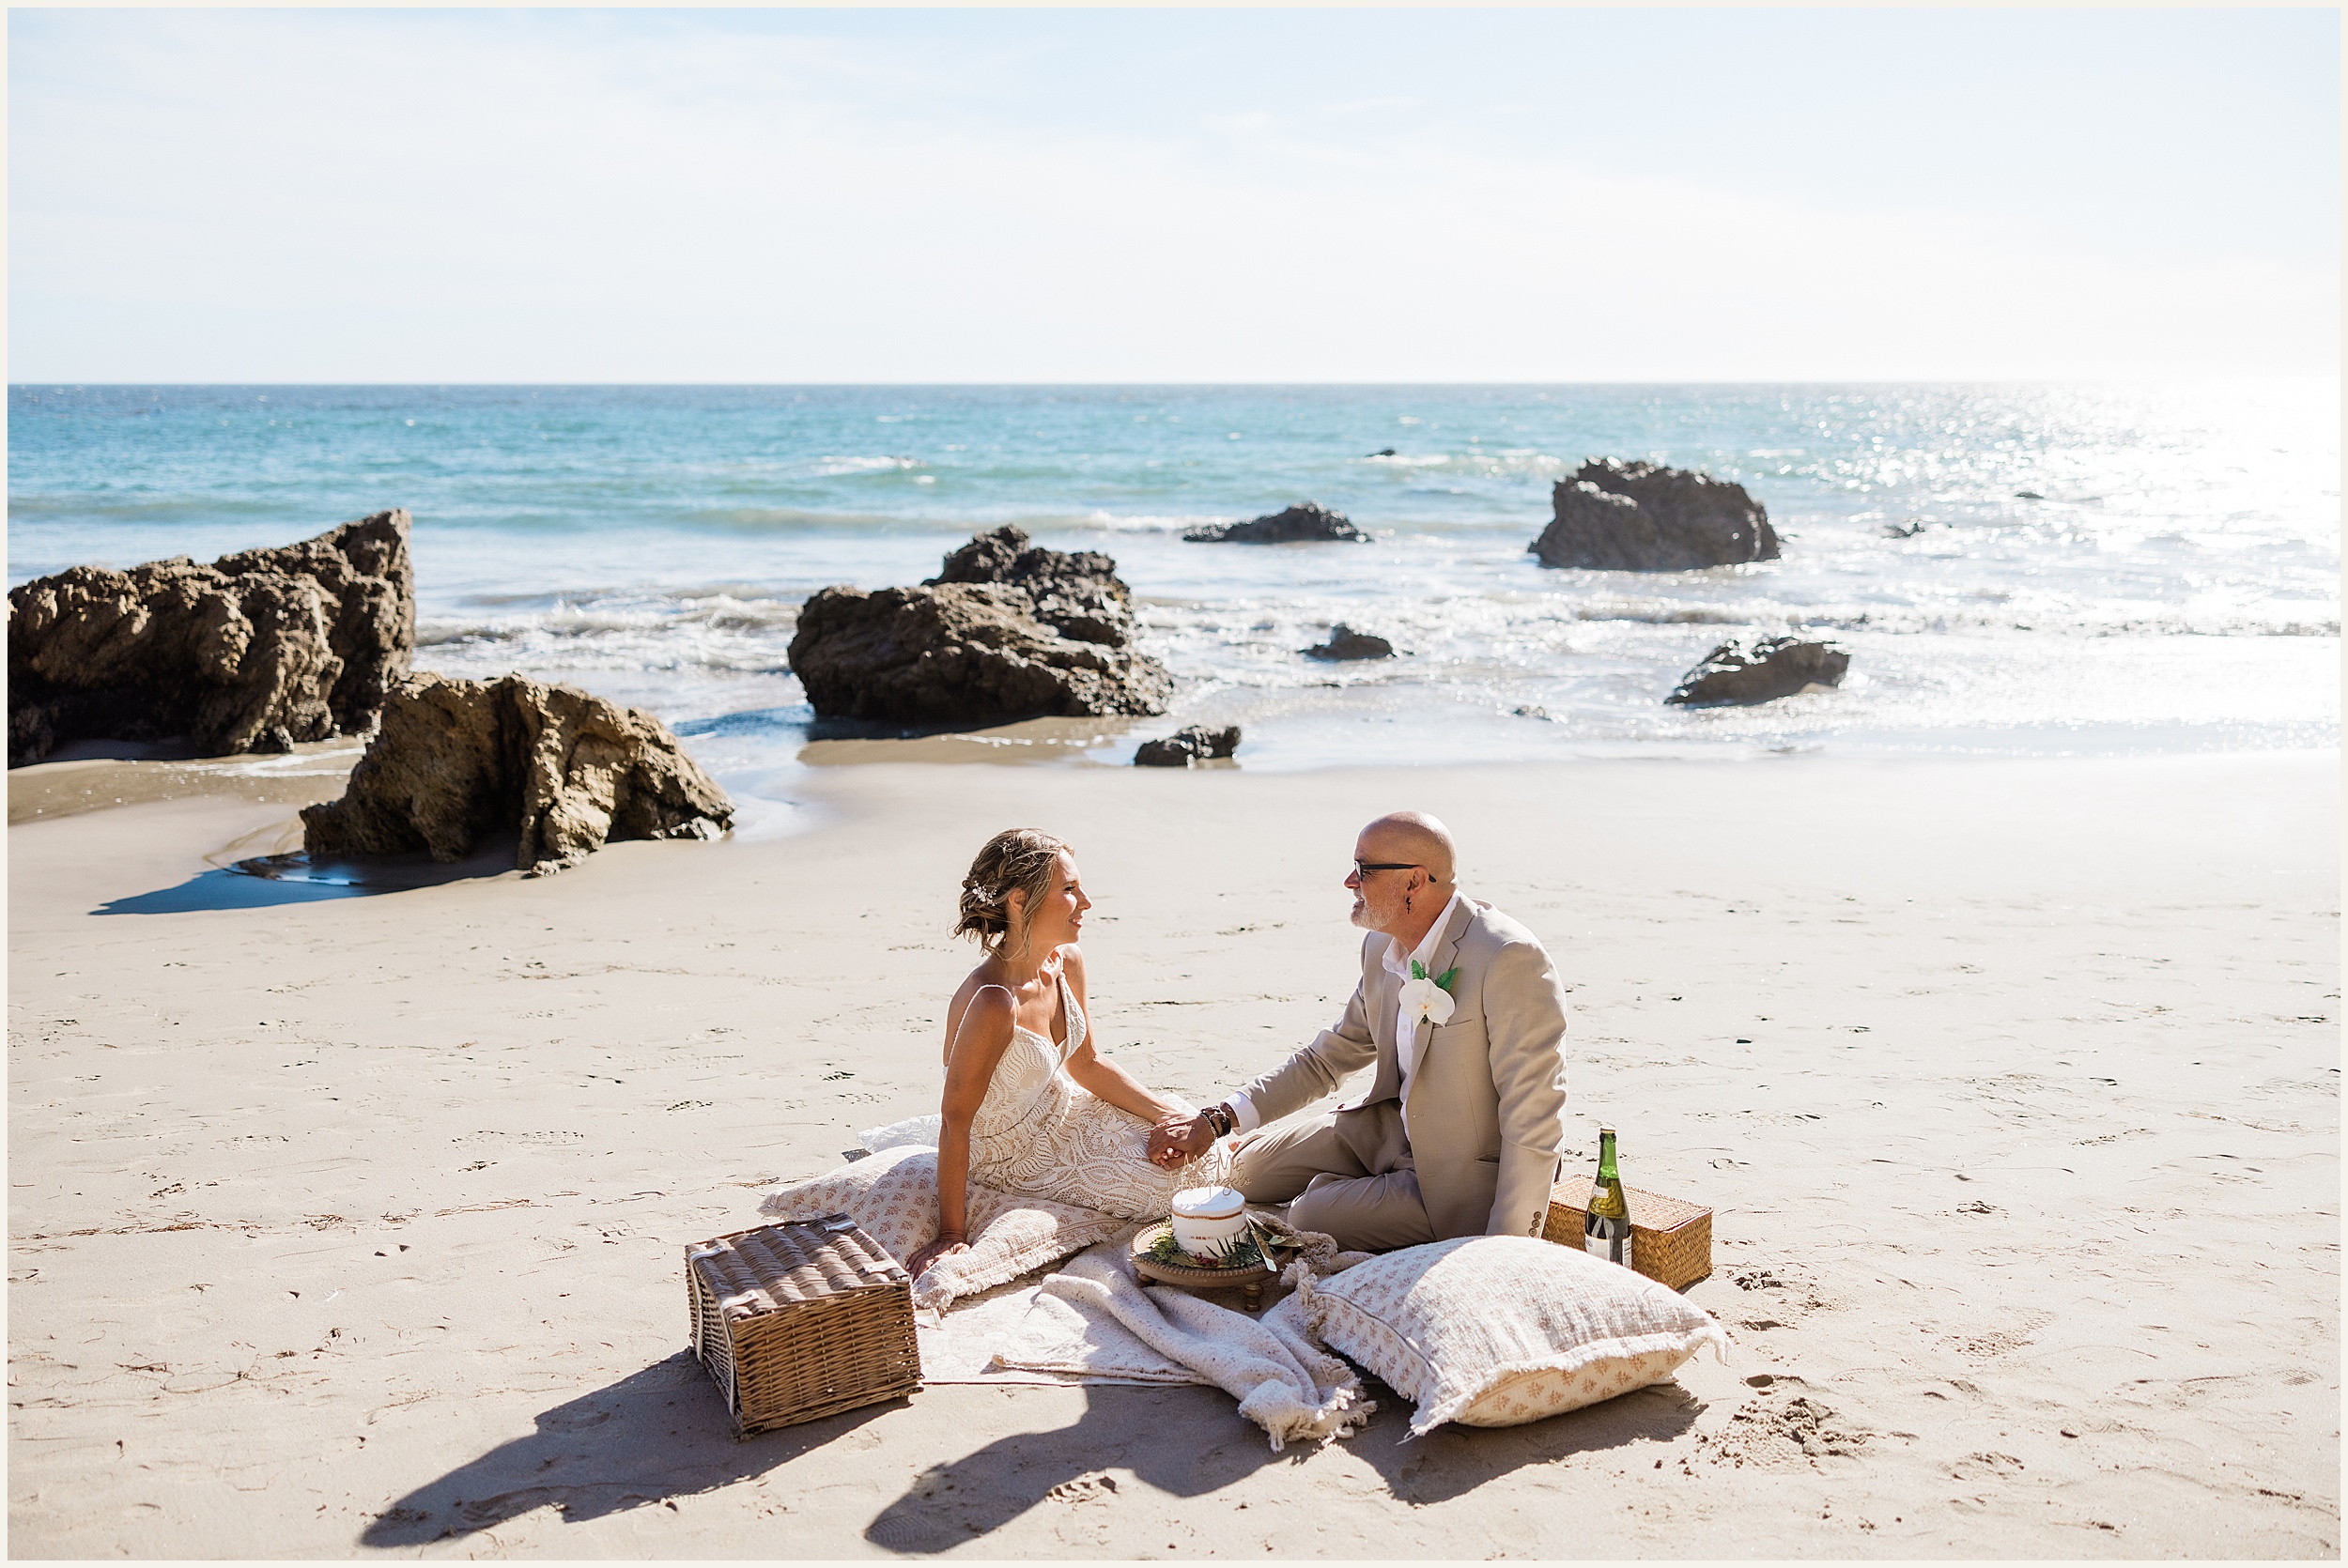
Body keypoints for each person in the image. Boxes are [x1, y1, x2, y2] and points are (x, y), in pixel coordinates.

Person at [1146, 810, 1568, 1252]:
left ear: (1414, 882)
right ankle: (1353, 1183)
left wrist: (1511, 1248)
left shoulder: (1508, 957)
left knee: (1310, 1215)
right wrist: (1218, 1120)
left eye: (1364, 870)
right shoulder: (1381, 944)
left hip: (1457, 1172)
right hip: (1387, 1128)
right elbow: (1329, 1057)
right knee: (1243, 1172)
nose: (1350, 881)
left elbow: (1534, 1111)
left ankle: (1343, 1196)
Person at [904, 828, 1233, 1278]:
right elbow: (954, 1120)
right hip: (1010, 1155)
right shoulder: (993, 1001)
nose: (1087, 902)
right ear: (1019, 902)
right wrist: (950, 1235)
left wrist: (1166, 1118)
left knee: (1196, 1140)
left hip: (1063, 1112)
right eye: (1070, 889)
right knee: (1172, 1189)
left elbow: (1087, 1064)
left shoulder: (1066, 962)